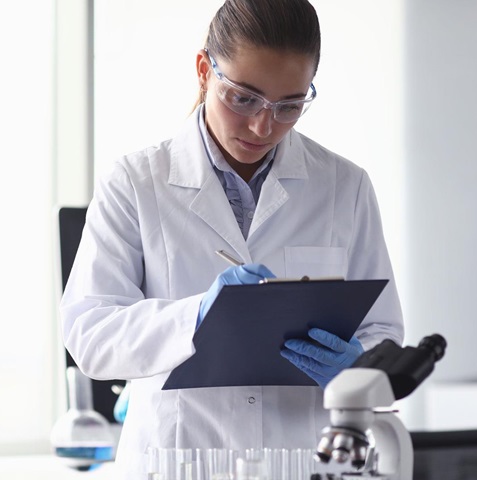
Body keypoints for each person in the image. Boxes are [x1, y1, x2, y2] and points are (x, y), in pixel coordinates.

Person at [60, 0, 404, 477]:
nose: (264, 126)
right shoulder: (136, 182)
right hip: (178, 461)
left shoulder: (344, 187)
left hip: (301, 462)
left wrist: (357, 368)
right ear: (204, 70)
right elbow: (90, 333)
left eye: (289, 106)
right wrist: (197, 316)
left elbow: (383, 332)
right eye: (243, 98)